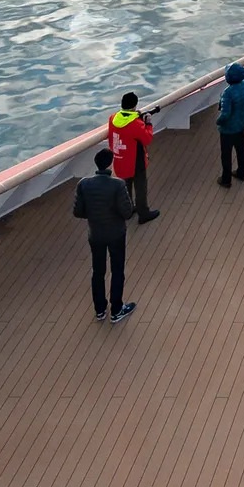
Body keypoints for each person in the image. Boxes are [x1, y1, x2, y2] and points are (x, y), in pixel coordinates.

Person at [72, 147, 137, 322]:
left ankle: (100, 309)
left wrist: (94, 215)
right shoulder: (118, 185)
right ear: (110, 164)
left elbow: (78, 212)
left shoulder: (84, 184)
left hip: (95, 234)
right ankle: (117, 310)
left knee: (98, 271)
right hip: (116, 234)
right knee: (117, 271)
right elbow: (127, 212)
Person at [108, 92, 160, 224]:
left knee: (126, 186)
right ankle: (143, 213)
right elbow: (147, 138)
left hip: (120, 158)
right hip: (135, 161)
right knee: (140, 186)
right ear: (135, 105)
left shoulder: (113, 118)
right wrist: (148, 124)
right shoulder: (135, 124)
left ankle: (128, 210)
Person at [217, 62, 244, 187]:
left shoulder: (227, 93)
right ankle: (241, 172)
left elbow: (225, 114)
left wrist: (218, 121)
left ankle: (226, 180)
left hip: (228, 129)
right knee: (241, 148)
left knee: (226, 154)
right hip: (242, 123)